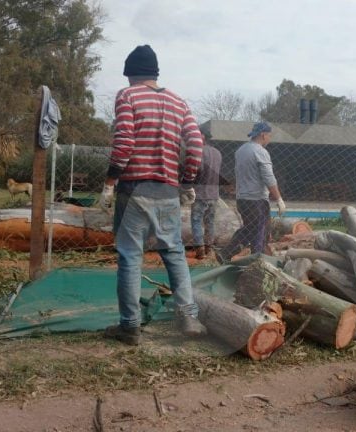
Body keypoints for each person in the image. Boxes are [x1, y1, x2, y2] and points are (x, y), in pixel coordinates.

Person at [98, 44, 207, 345]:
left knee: (131, 256)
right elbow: (196, 145)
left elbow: (123, 144)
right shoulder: (179, 102)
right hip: (167, 190)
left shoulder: (128, 95)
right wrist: (186, 182)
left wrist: (109, 183)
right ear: (155, 73)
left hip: (133, 188)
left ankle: (130, 327)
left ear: (131, 74)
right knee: (174, 253)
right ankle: (188, 318)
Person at [216, 121, 285, 264]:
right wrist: (279, 199)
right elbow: (268, 177)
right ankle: (256, 261)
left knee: (251, 228)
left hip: (242, 198)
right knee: (258, 232)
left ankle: (230, 254)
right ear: (263, 134)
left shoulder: (240, 151)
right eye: (269, 135)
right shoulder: (260, 152)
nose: (269, 139)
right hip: (256, 199)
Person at [190, 127, 223, 260]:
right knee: (210, 222)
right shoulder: (217, 153)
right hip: (214, 194)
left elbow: (198, 170)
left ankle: (200, 249)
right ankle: (209, 248)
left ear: (202, 136)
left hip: (200, 193)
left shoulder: (199, 152)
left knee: (196, 220)